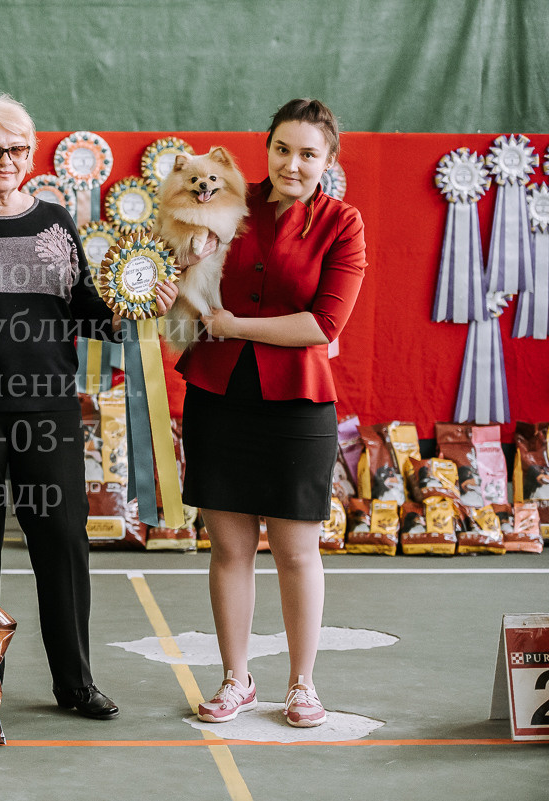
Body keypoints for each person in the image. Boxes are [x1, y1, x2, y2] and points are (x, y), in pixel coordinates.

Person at [0, 94, 178, 720]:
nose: (5, 159)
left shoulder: (54, 221)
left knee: (63, 548)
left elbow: (83, 312)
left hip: (49, 414)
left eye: (18, 149)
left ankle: (74, 683)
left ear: (30, 154)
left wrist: (138, 301)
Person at [177, 98, 367, 728]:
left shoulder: (344, 223)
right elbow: (182, 269)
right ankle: (237, 680)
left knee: (296, 553)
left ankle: (302, 684)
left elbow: (324, 323)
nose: (292, 163)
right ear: (266, 149)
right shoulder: (227, 198)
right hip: (217, 395)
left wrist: (234, 325)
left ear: (329, 161)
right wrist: (169, 267)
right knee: (229, 551)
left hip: (298, 405)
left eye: (308, 153)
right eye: (282, 149)